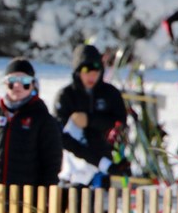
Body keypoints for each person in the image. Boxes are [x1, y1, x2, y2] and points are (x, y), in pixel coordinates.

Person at [0, 58, 63, 189]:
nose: (17, 86)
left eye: (24, 81)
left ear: (33, 84)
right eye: (12, 81)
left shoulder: (42, 118)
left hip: (26, 199)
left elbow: (52, 163)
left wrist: (45, 195)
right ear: (5, 83)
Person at [55, 44, 130, 188]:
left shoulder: (111, 94)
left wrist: (90, 120)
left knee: (102, 207)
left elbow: (120, 124)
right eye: (86, 70)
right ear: (78, 71)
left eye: (96, 69)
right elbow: (60, 135)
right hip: (73, 167)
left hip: (105, 163)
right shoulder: (66, 96)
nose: (92, 75)